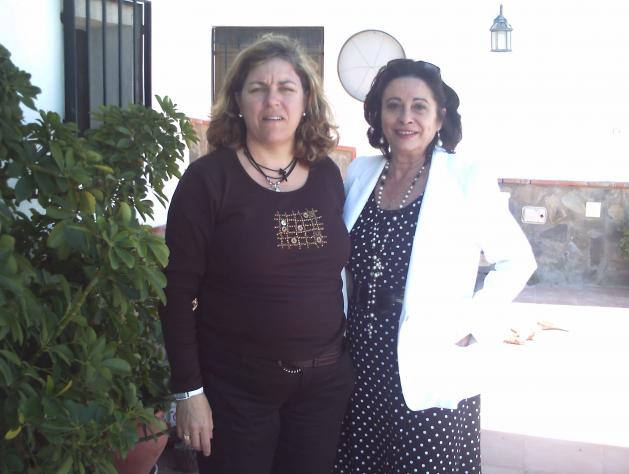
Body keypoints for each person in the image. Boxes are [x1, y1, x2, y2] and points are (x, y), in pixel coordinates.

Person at [159, 34, 354, 474]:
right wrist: (189, 392)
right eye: (257, 88)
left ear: (306, 100)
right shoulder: (208, 180)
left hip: (321, 389)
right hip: (236, 391)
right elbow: (176, 291)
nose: (273, 100)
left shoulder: (327, 174)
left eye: (286, 88)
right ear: (237, 101)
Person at [333, 58, 537, 473]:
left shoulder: (465, 176)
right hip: (359, 358)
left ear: (440, 116)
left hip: (429, 357)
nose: (405, 117)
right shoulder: (361, 172)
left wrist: (469, 322)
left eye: (419, 106)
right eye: (393, 105)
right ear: (379, 114)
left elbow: (516, 260)